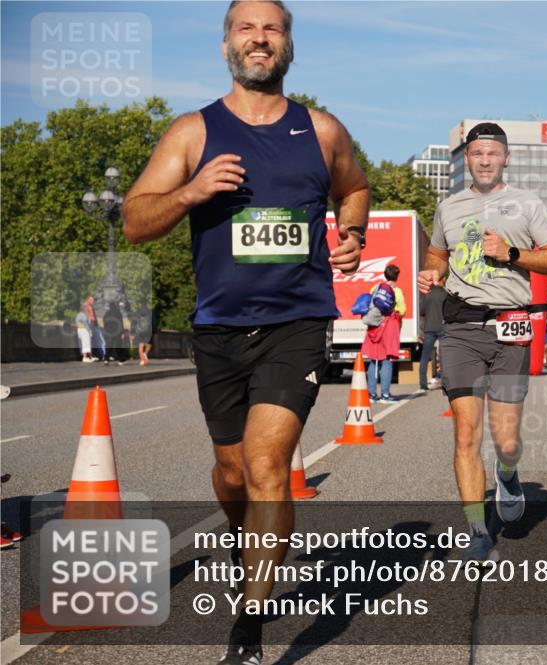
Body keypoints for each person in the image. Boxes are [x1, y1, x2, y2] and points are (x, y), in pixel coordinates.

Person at [122, 2, 370, 661]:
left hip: (299, 321)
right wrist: (191, 192)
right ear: (226, 44)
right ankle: (244, 543)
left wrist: (352, 232)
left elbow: (356, 189)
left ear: (288, 45)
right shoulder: (192, 133)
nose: (259, 38)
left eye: (272, 28)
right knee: (232, 471)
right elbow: (134, 220)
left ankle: (248, 627)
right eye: (246, 28)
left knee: (267, 464)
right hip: (218, 329)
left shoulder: (321, 130)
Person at [417, 122, 547, 562]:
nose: (484, 161)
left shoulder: (527, 204)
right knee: (466, 434)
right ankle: (477, 531)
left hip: (511, 328)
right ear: (467, 159)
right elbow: (436, 254)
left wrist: (512, 254)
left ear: (506, 159)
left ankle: (508, 472)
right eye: (477, 154)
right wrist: (432, 272)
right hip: (461, 329)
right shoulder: (449, 207)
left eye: (492, 154)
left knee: (506, 440)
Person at [363, 263, 406, 402]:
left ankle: (371, 394)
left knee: (374, 360)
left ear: (385, 274)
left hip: (375, 326)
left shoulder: (375, 288)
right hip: (389, 326)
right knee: (387, 360)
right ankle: (385, 394)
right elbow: (402, 310)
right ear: (397, 276)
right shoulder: (397, 291)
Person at [419, 283, 446, 390]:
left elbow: (422, 311)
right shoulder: (445, 294)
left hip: (429, 328)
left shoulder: (428, 294)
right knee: (444, 356)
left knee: (425, 355)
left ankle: (423, 383)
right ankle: (445, 382)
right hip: (442, 328)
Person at [84, 294, 106, 362]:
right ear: (88, 300)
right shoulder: (85, 306)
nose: (93, 301)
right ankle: (89, 357)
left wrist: (96, 323)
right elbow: (86, 317)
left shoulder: (91, 306)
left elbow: (94, 316)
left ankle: (102, 355)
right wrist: (88, 327)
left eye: (93, 300)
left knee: (100, 340)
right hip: (90, 324)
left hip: (94, 324)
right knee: (89, 341)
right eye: (91, 300)